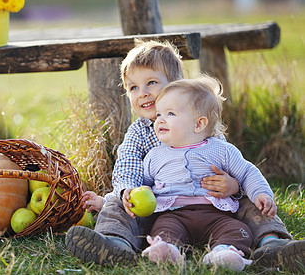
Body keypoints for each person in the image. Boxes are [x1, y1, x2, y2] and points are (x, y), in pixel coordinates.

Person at [65, 40, 303, 270]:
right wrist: (123, 192)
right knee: (121, 204)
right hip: (160, 210)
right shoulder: (138, 132)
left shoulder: (202, 129)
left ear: (175, 85)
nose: (143, 93)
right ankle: (115, 243)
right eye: (133, 87)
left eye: (151, 83)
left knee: (252, 202)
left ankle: (272, 244)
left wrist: (234, 186)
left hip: (216, 205)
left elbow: (236, 166)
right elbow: (129, 168)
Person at [139, 76, 276, 271]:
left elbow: (247, 172)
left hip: (216, 214)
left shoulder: (221, 150)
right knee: (164, 229)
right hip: (174, 214)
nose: (160, 119)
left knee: (238, 230)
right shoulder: (155, 156)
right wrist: (137, 191)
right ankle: (169, 250)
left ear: (199, 124)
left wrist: (262, 193)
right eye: (159, 114)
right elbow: (141, 183)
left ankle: (223, 252)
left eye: (170, 113)